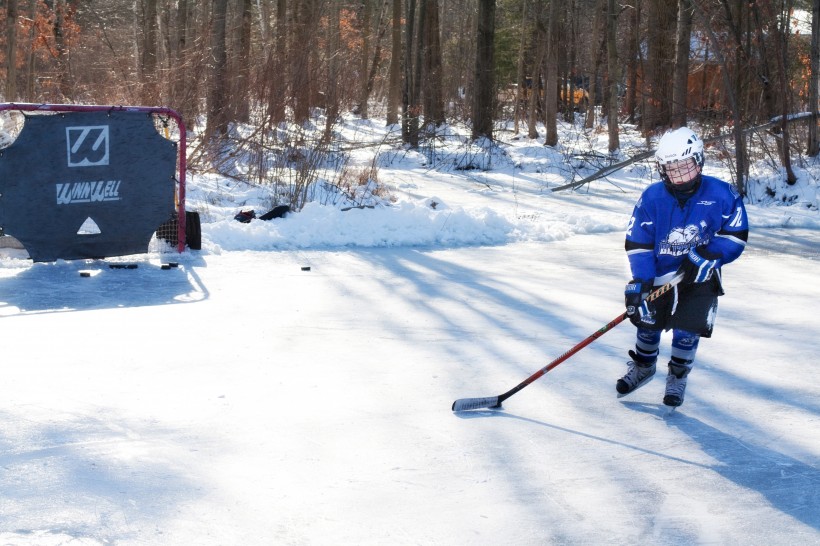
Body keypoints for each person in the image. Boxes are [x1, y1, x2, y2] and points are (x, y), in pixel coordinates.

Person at [617, 127, 748, 407]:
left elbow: (735, 236)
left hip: (701, 276)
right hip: (661, 273)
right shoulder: (652, 198)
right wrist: (641, 282)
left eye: (685, 166)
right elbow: (639, 243)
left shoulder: (722, 194)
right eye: (672, 168)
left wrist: (707, 255)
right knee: (647, 321)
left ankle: (678, 374)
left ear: (699, 161)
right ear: (662, 169)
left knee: (688, 328)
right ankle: (643, 366)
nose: (679, 175)